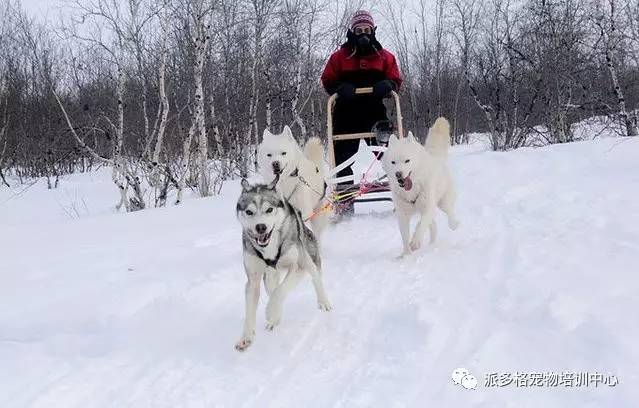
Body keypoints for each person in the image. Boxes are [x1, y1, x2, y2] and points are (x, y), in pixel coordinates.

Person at [320, 10, 403, 190]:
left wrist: (388, 84)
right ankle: (345, 202)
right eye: (359, 31)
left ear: (373, 31)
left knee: (389, 154)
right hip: (346, 113)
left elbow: (396, 79)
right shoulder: (339, 57)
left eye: (367, 30)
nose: (363, 35)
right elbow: (327, 80)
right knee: (342, 158)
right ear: (352, 32)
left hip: (374, 112)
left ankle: (398, 193)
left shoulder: (384, 57)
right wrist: (339, 87)